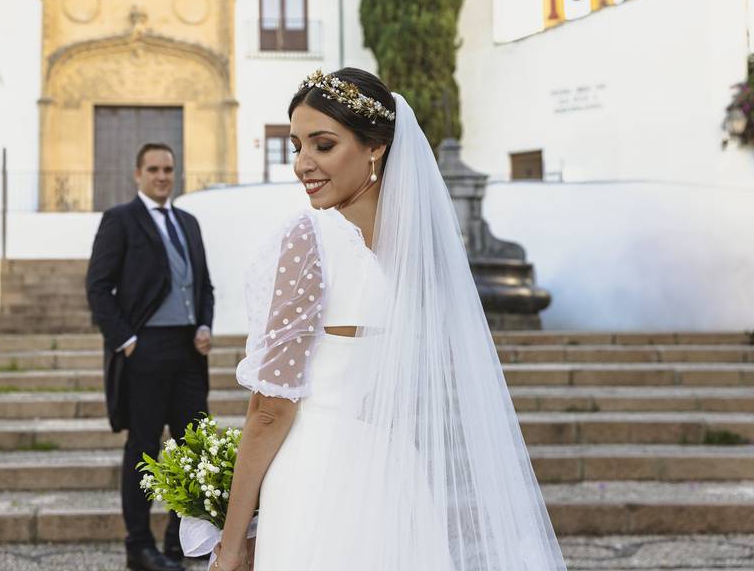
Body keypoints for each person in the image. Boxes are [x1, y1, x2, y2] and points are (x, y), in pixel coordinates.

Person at [211, 69, 567, 570]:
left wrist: (229, 544)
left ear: (375, 147)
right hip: (395, 480)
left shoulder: (311, 237)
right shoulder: (422, 250)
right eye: (296, 146)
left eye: (323, 144)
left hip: (315, 478)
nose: (302, 164)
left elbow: (270, 410)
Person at [86, 143, 215, 571]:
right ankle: (138, 546)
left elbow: (204, 288)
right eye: (154, 169)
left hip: (188, 352)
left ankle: (180, 541)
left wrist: (203, 326)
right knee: (144, 450)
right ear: (138, 174)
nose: (163, 176)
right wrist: (125, 340)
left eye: (169, 169)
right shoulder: (120, 220)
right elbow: (98, 287)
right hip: (144, 351)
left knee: (190, 449)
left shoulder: (189, 223)